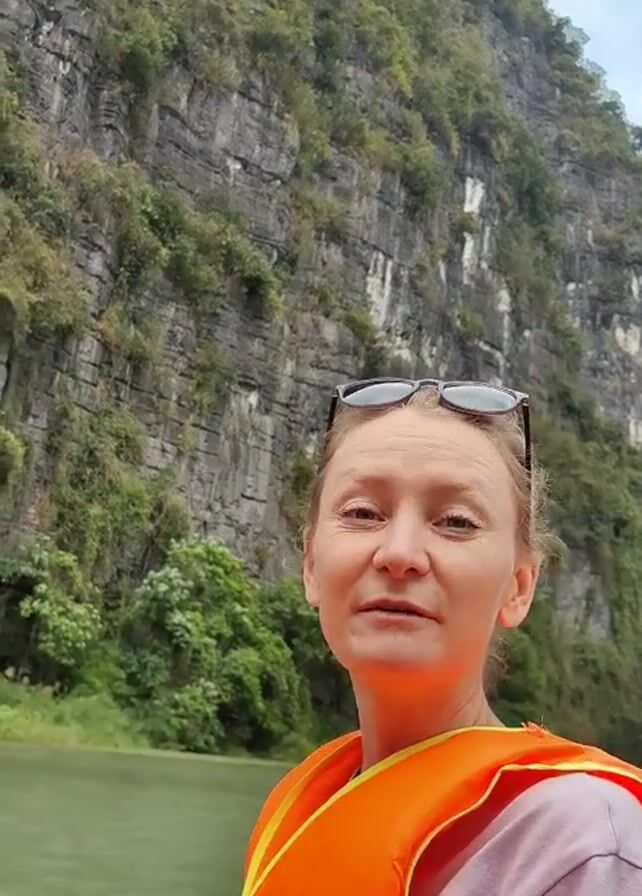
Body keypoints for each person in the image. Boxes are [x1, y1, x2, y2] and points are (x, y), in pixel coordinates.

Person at [242, 377, 642, 896]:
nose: (399, 553)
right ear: (311, 564)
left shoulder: (582, 844)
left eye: (456, 521)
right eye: (363, 513)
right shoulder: (300, 808)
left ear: (519, 586)